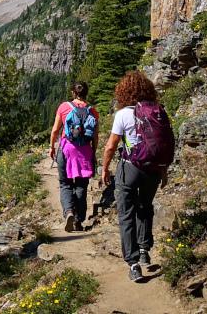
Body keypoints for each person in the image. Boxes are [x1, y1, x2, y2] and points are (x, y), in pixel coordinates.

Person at [99, 71, 173, 283]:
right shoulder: (158, 111)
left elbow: (111, 146)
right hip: (153, 171)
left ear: (124, 92)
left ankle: (133, 264)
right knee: (145, 207)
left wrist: (105, 169)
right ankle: (144, 251)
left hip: (130, 169)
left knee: (126, 214)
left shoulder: (123, 114)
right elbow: (162, 145)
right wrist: (163, 170)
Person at [49, 82, 98, 232]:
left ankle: (69, 211)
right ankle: (78, 221)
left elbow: (55, 130)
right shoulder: (93, 111)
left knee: (65, 184)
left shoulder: (64, 107)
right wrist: (93, 153)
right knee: (81, 186)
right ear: (86, 93)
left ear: (73, 93)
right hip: (84, 152)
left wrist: (52, 147)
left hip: (67, 149)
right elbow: (95, 136)